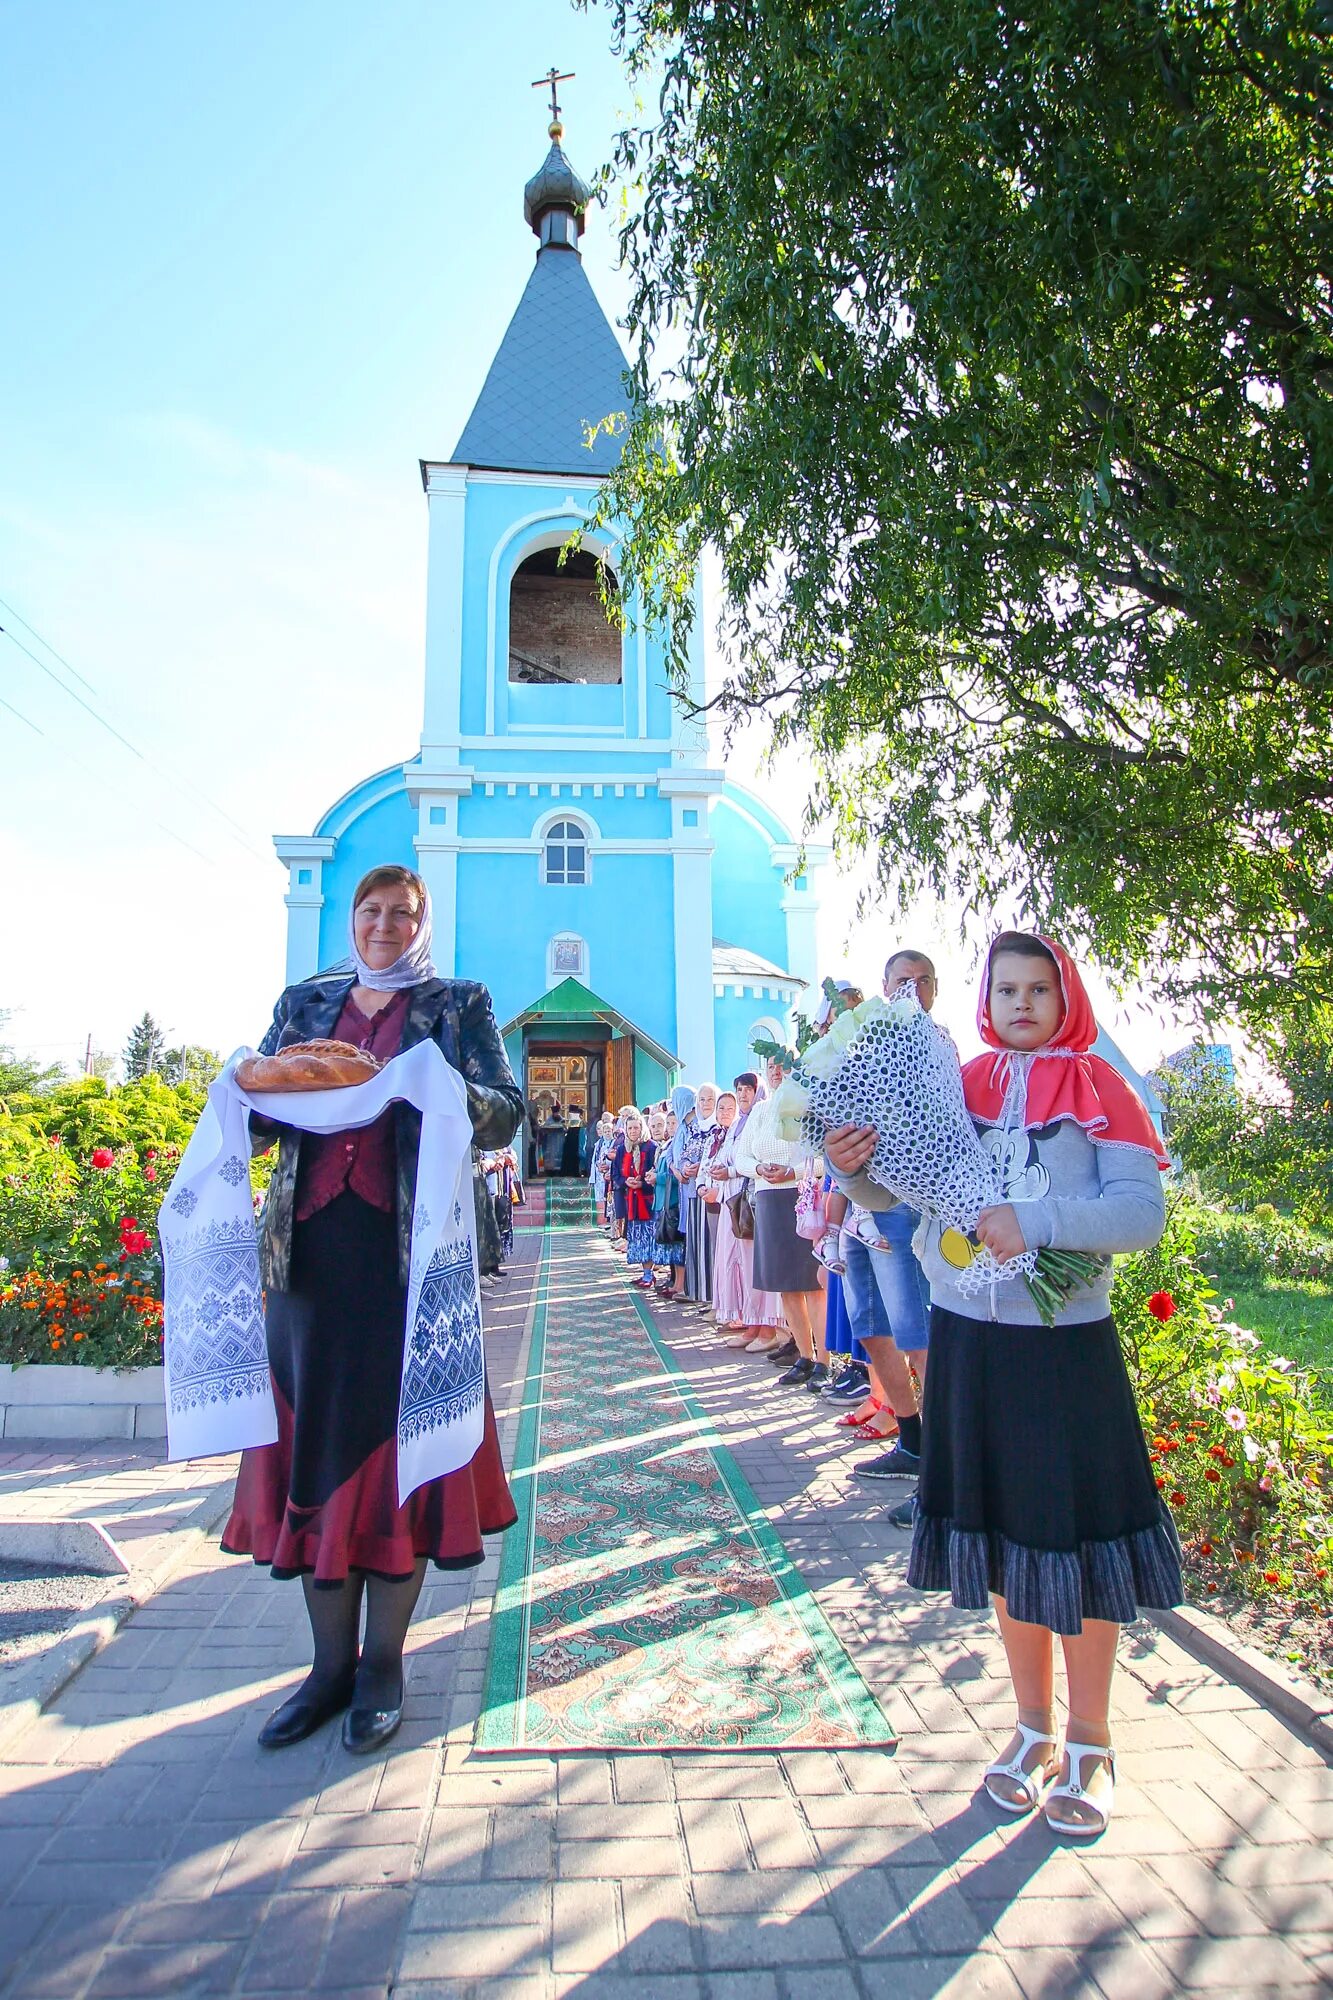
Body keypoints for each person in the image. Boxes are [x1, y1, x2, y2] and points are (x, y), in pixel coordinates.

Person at [827, 932, 1179, 1835]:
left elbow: (1140, 1215)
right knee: (1003, 1540)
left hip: (1063, 1350)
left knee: (1078, 1541)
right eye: (1005, 988)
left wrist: (1038, 1218)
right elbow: (903, 1199)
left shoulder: (1101, 1088)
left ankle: (1091, 1740)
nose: (1020, 1003)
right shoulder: (958, 1085)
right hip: (969, 1343)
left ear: (1067, 999)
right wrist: (854, 1165)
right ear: (983, 998)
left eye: (1038, 988)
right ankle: (1030, 1728)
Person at [224, 864, 524, 1754]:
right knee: (315, 1448)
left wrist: (443, 1087)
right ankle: (326, 1670)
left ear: (421, 925)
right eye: (371, 911)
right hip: (309, 1264)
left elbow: (504, 1114)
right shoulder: (305, 1007)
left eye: (403, 913)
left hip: (409, 1262)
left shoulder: (456, 1004)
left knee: (400, 1454)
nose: (385, 925)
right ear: (352, 921)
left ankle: (384, 1664)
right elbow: (266, 1118)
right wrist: (242, 1090)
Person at [733, 1055, 825, 1382]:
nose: (776, 1072)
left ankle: (824, 1361)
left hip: (801, 1197)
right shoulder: (759, 1111)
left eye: (782, 1064)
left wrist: (792, 1172)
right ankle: (804, 1355)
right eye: (770, 1066)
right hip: (768, 1199)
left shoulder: (808, 1103)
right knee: (785, 1284)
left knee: (812, 1283)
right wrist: (757, 1168)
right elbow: (740, 1155)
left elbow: (824, 1159)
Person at [708, 1073, 788, 1351]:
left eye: (748, 1089)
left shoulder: (763, 1115)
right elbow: (736, 1156)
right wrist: (723, 1169)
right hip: (736, 1199)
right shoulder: (739, 1123)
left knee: (758, 1264)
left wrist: (731, 1170)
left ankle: (767, 1328)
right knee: (742, 1265)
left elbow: (754, 1158)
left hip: (755, 1198)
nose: (743, 1095)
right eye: (739, 1089)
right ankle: (752, 1323)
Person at [678, 1083, 718, 1304]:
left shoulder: (718, 1129)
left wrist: (700, 1166)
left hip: (711, 1193)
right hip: (694, 1191)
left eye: (710, 1099)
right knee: (696, 1244)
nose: (705, 1104)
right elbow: (685, 1153)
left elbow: (715, 1157)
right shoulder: (695, 1129)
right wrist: (685, 1167)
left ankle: (714, 1297)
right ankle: (700, 1294)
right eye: (702, 1100)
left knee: (710, 1245)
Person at [613, 1110, 658, 1285]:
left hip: (648, 1202)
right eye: (630, 1128)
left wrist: (643, 1184)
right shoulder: (622, 1149)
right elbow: (615, 1174)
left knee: (649, 1238)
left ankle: (649, 1273)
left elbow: (656, 1172)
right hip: (630, 1202)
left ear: (642, 1128)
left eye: (636, 1128)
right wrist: (626, 1181)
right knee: (637, 1238)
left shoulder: (651, 1147)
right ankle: (645, 1272)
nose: (633, 1131)